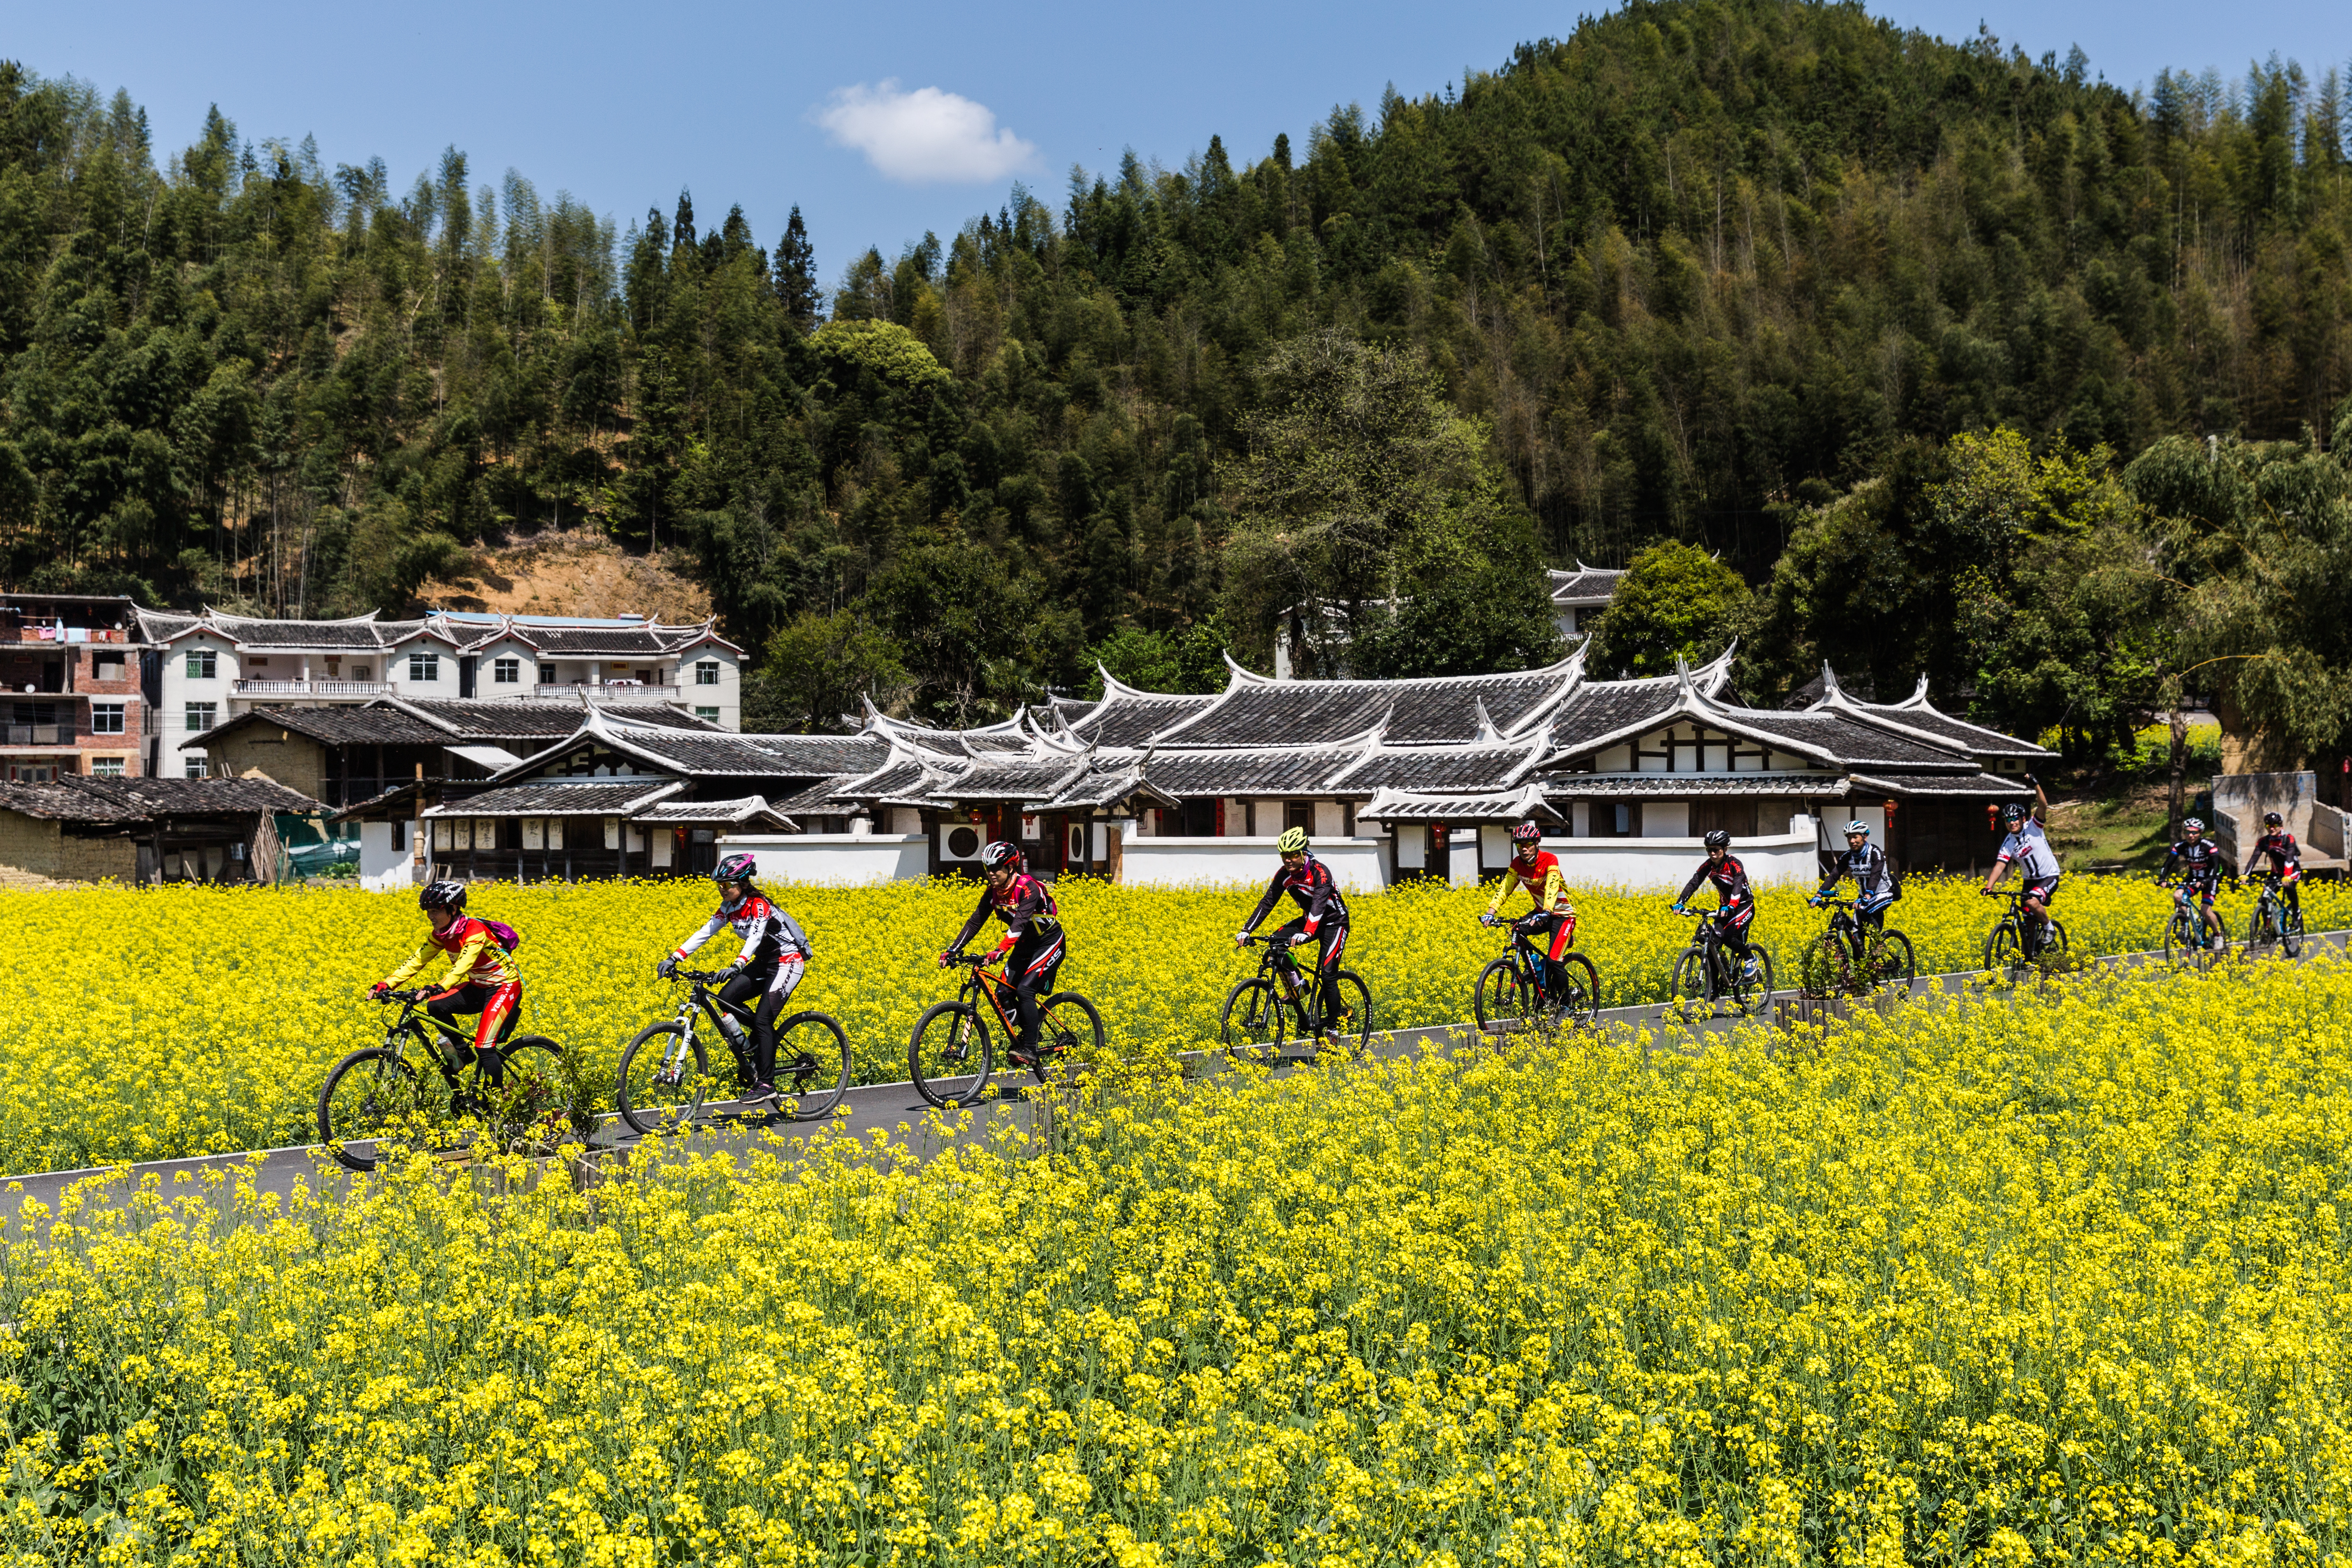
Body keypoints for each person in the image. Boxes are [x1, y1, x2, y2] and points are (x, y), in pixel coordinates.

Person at [658, 852, 812, 1096]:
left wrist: (738, 965)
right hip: (764, 963)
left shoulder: (759, 905)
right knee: (726, 999)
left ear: (741, 883)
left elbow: (756, 937)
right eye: (719, 885)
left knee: (763, 1021)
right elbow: (705, 932)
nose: (722, 889)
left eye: (726, 885)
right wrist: (675, 957)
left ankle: (766, 1084)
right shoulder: (728, 908)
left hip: (787, 962)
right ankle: (757, 1043)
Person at [371, 880, 520, 1087]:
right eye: (428, 911)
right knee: (436, 1005)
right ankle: (462, 1052)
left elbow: (463, 965)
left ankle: (493, 1107)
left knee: (485, 1047)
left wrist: (439, 986)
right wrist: (387, 984)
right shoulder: (441, 935)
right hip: (478, 987)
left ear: (453, 909)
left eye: (435, 911)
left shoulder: (474, 930)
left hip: (503, 988)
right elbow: (417, 960)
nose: (431, 916)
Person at [940, 840, 1064, 1066]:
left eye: (996, 868)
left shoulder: (1028, 888)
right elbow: (975, 922)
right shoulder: (993, 894)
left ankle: (1031, 1047)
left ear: (1010, 868)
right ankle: (1026, 1036)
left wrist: (1000, 950)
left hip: (1048, 941)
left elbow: (1019, 923)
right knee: (1003, 994)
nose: (991, 873)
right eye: (988, 869)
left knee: (1025, 990)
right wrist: (952, 950)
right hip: (1025, 945)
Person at [1236, 826, 1353, 1035]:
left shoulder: (1320, 872)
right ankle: (1299, 987)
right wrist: (1247, 930)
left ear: (1303, 853)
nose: (1288, 860)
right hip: (1309, 922)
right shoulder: (1284, 875)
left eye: (1293, 855)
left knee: (1328, 976)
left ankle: (1334, 1030)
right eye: (1284, 856)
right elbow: (1268, 902)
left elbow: (1319, 903)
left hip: (1335, 923)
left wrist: (1307, 932)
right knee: (1274, 945)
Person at [1482, 819, 1580, 1001]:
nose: (1524, 849)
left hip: (1563, 915)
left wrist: (1547, 911)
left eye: (1528, 845)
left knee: (1554, 960)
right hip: (1542, 912)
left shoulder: (1550, 860)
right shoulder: (1518, 864)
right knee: (1517, 930)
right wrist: (1491, 912)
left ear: (1537, 844)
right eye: (1520, 846)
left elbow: (1552, 887)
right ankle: (1534, 972)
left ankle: (1567, 1004)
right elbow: (1505, 888)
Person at [1982, 778, 2060, 957]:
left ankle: (2049, 928)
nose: (2012, 823)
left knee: (2032, 902)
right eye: (2008, 820)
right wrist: (1989, 886)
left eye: (2015, 819)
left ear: (2022, 819)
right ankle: (2028, 961)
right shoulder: (2009, 842)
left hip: (2049, 875)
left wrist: (2036, 784)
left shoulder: (2034, 827)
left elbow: (2043, 804)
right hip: (2029, 881)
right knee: (2027, 925)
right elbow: (2000, 864)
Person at [1671, 829, 1760, 983]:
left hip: (1744, 907)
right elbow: (1695, 882)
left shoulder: (1734, 864)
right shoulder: (1708, 866)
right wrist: (1680, 902)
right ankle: (1714, 988)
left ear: (1725, 849)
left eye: (1716, 850)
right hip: (1726, 909)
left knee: (1728, 938)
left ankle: (1750, 957)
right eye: (1709, 850)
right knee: (1712, 942)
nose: (1712, 854)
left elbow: (1738, 885)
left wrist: (1732, 905)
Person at [1813, 819, 1900, 933]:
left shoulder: (1875, 853)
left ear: (1865, 837)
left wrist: (1868, 895)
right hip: (1863, 897)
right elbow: (1834, 875)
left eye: (1855, 837)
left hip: (1883, 893)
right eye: (1849, 838)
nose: (1852, 841)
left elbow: (1876, 875)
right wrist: (1819, 894)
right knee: (1856, 932)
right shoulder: (1848, 856)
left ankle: (1879, 944)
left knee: (1862, 911)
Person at [2159, 815, 2229, 952]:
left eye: (2194, 832)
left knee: (2205, 910)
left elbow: (2216, 866)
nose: (2191, 835)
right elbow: (2168, 863)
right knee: (2178, 896)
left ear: (2200, 833)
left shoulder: (2209, 846)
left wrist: (2207, 880)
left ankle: (2217, 936)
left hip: (2211, 879)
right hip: (2193, 878)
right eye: (2188, 832)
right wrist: (2162, 878)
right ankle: (2185, 924)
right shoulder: (2181, 846)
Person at [2244, 809, 2303, 925]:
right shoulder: (2264, 841)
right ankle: (2270, 927)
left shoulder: (2288, 839)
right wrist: (2245, 875)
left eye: (2275, 826)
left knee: (2289, 887)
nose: (2272, 828)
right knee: (2265, 897)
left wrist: (2287, 875)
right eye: (2269, 826)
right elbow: (2254, 858)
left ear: (2281, 826)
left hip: (2292, 871)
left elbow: (2290, 858)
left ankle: (2297, 912)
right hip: (2276, 873)